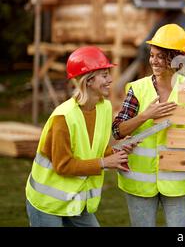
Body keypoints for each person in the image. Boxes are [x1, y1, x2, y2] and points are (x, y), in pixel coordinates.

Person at [25, 46, 132, 227]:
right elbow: (63, 165)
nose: (110, 79)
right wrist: (105, 162)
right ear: (89, 80)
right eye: (104, 75)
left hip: (77, 200)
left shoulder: (104, 108)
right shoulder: (63, 117)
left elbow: (92, 149)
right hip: (47, 203)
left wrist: (115, 153)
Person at [112, 24, 185, 227]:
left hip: (177, 179)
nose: (154, 61)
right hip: (139, 181)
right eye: (152, 55)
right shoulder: (138, 89)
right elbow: (117, 131)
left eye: (161, 56)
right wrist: (145, 116)